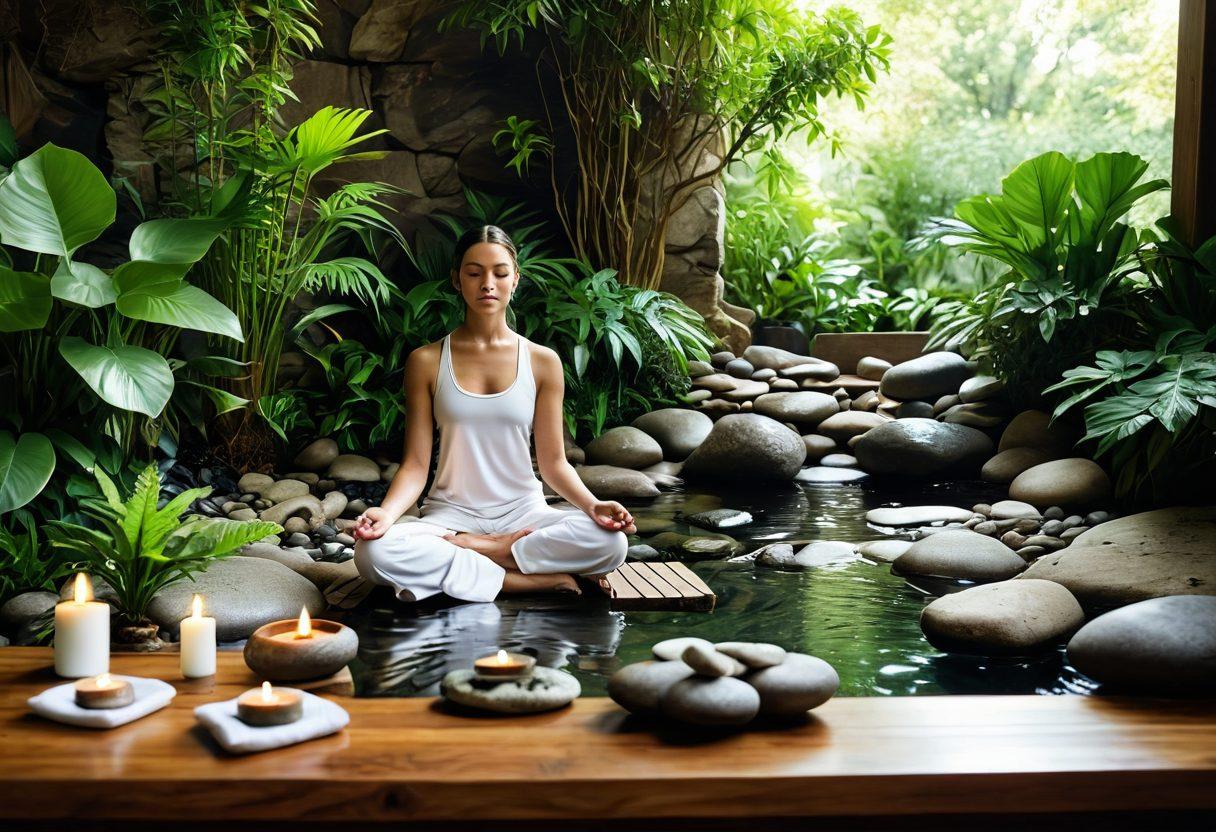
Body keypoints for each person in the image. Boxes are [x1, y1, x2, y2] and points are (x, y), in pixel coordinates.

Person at [352, 225, 634, 603]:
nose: (488, 283)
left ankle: (483, 554)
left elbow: (553, 464)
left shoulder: (542, 362)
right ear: (457, 280)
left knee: (610, 544)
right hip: (450, 518)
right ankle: (519, 579)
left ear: (515, 280)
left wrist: (593, 505)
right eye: (474, 272)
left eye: (500, 273)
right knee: (372, 553)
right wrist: (386, 515)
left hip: (523, 513)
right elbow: (416, 465)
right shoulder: (426, 361)